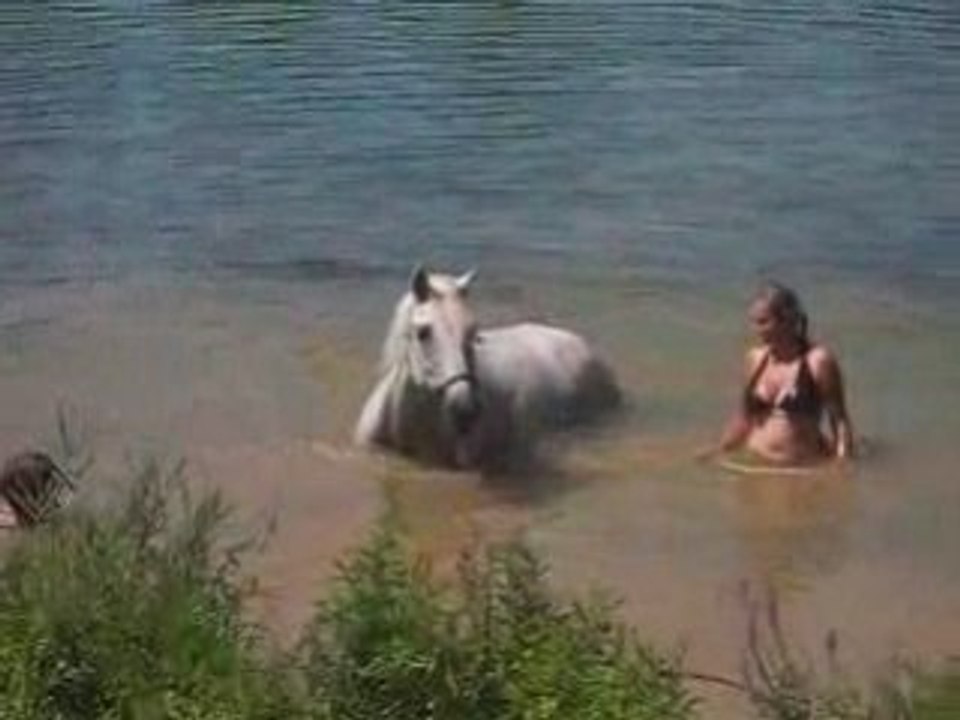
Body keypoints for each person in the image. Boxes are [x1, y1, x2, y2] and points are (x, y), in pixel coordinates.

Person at [711, 282, 855, 466]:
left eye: (763, 322)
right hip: (755, 464)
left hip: (799, 469)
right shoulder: (755, 359)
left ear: (787, 320)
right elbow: (744, 417)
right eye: (754, 322)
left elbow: (839, 421)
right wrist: (719, 451)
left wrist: (842, 467)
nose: (756, 329)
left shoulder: (818, 361)